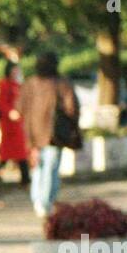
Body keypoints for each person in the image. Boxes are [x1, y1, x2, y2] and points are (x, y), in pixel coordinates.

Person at [18, 50, 79, 218]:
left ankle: (39, 201)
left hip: (33, 133)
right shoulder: (61, 83)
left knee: (39, 167)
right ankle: (45, 202)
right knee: (50, 168)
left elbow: (20, 108)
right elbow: (72, 107)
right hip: (54, 134)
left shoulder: (30, 83)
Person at [0, 59, 29, 184]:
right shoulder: (4, 84)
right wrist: (9, 112)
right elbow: (1, 102)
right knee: (11, 150)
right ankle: (25, 177)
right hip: (9, 122)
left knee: (18, 149)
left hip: (18, 122)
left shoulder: (18, 85)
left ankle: (23, 176)